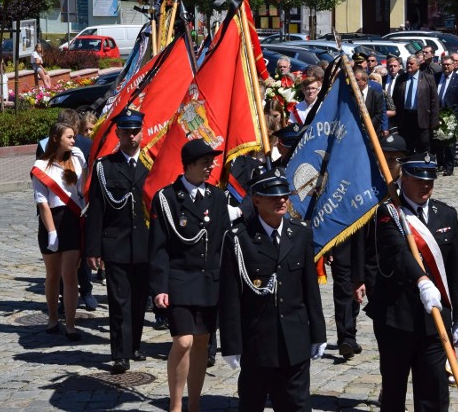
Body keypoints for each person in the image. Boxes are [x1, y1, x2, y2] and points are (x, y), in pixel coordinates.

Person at [364, 153, 458, 412]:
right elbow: (397, 253)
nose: (426, 186)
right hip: (397, 318)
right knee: (394, 390)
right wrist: (422, 280)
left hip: (434, 320)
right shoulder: (388, 213)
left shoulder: (446, 214)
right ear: (404, 178)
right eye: (419, 180)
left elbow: (456, 272)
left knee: (434, 392)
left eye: (430, 180)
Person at [219, 166, 327, 412]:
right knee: (252, 403)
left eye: (284, 195)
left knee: (297, 405)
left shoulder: (299, 234)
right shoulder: (239, 239)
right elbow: (230, 298)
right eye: (273, 195)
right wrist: (231, 344)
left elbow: (310, 289)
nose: (282, 200)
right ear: (256, 200)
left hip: (294, 339)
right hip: (257, 341)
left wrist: (318, 333)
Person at [150, 139, 232, 412]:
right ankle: (175, 406)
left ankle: (194, 404)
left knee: (202, 343)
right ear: (189, 166)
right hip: (179, 279)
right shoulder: (167, 198)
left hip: (209, 282)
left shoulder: (217, 197)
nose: (210, 167)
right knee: (183, 341)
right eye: (204, 163)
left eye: (211, 162)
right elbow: (159, 247)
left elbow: (223, 243)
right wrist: (159, 287)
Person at [85, 109, 151, 375]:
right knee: (119, 301)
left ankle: (134, 345)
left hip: (145, 244)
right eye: (126, 132)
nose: (132, 136)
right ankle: (120, 354)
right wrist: (92, 248)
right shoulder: (105, 166)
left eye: (136, 131)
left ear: (142, 132)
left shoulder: (153, 163)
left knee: (139, 301)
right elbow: (96, 209)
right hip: (116, 244)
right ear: (118, 133)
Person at [30, 122, 86, 342]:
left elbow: (82, 192)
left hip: (72, 221)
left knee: (70, 275)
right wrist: (51, 232)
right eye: (70, 137)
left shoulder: (77, 160)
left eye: (74, 137)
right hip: (51, 221)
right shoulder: (41, 166)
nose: (74, 141)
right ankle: (53, 319)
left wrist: (85, 166)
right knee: (53, 275)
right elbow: (42, 203)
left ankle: (71, 325)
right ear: (56, 139)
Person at [393, 56, 439, 153]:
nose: (409, 65)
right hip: (405, 117)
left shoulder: (428, 78)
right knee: (406, 145)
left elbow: (434, 100)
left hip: (422, 118)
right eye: (408, 63)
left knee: (423, 144)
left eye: (411, 63)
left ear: (418, 65)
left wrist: (434, 120)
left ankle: (423, 166)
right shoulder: (401, 78)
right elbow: (395, 98)